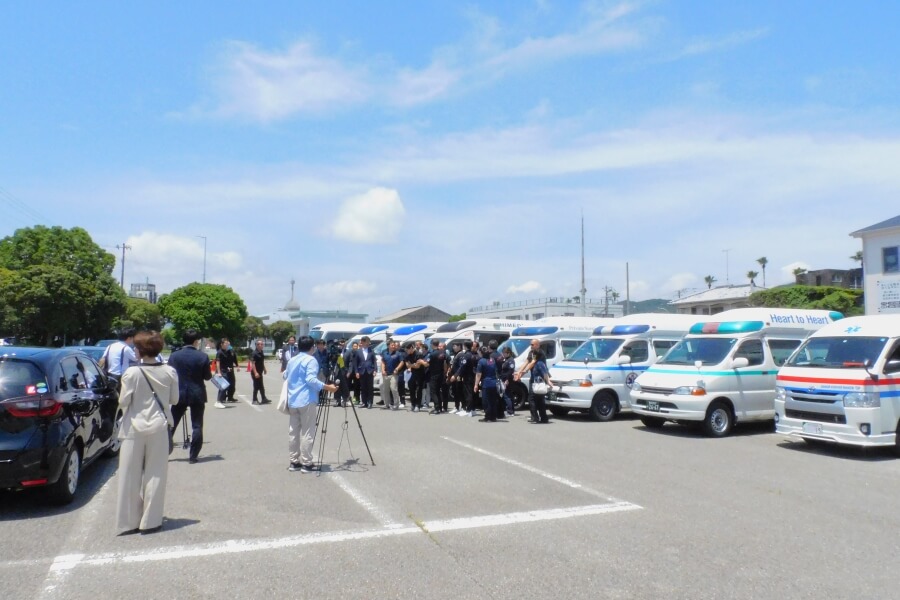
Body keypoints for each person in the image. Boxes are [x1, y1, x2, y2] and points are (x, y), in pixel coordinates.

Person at [116, 330, 178, 534]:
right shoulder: (169, 371)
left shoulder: (131, 373)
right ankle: (151, 521)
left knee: (129, 475)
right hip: (159, 425)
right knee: (156, 474)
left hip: (134, 427)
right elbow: (174, 400)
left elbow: (123, 401)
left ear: (141, 351)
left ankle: (129, 521)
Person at [284, 336, 337, 473]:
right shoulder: (311, 360)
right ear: (311, 347)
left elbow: (285, 375)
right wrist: (327, 387)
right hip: (306, 399)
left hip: (292, 400)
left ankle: (294, 461)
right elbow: (311, 379)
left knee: (293, 431)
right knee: (308, 431)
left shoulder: (292, 360)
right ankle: (307, 462)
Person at [166, 328, 211, 464]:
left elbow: (169, 374)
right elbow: (207, 377)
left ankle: (163, 451)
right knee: (197, 425)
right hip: (197, 393)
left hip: (179, 393)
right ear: (196, 341)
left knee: (172, 423)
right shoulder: (202, 356)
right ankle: (193, 456)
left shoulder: (175, 356)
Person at [514, 338, 552, 424]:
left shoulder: (539, 353)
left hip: (540, 378)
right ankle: (540, 417)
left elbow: (532, 363)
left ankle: (537, 417)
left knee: (534, 398)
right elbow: (527, 362)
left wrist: (524, 371)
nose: (531, 346)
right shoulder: (531, 353)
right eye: (530, 344)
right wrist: (519, 373)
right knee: (536, 399)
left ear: (537, 345)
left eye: (533, 344)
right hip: (533, 378)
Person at [474, 346, 501, 422]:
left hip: (486, 383)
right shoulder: (492, 360)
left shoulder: (481, 361)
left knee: (486, 401)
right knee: (493, 400)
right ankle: (493, 416)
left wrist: (476, 384)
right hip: (494, 382)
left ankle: (488, 416)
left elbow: (478, 374)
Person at [452, 341, 478, 417]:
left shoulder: (466, 355)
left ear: (465, 346)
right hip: (473, 376)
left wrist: (456, 375)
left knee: (468, 393)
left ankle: (468, 410)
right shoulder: (474, 355)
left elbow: (462, 367)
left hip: (467, 377)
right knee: (472, 393)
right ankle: (473, 409)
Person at [351, 336, 377, 408]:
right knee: (363, 387)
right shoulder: (358, 351)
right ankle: (364, 402)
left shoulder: (371, 351)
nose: (368, 343)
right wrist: (356, 372)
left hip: (369, 371)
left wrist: (375, 370)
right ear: (363, 342)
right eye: (366, 342)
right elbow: (355, 363)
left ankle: (370, 402)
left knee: (370, 387)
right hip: (361, 371)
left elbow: (374, 361)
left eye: (368, 342)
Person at [426, 338, 449, 414]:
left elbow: (427, 364)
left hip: (434, 375)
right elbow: (447, 362)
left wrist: (421, 362)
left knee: (433, 392)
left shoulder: (432, 354)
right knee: (438, 392)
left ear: (432, 344)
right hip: (441, 374)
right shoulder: (443, 353)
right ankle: (439, 407)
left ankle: (436, 408)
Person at [215, 337, 239, 407]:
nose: (227, 344)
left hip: (227, 370)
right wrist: (219, 372)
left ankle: (219, 401)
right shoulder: (219, 352)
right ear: (222, 344)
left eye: (227, 343)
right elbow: (218, 363)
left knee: (225, 386)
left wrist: (231, 367)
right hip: (222, 371)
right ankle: (219, 401)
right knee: (223, 386)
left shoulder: (227, 351)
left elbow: (228, 362)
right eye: (225, 343)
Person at [380, 340, 402, 410]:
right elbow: (383, 362)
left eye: (394, 345)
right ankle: (387, 404)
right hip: (386, 374)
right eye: (392, 345)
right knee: (386, 390)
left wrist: (397, 369)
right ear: (388, 346)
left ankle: (396, 404)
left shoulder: (398, 353)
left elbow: (402, 362)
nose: (393, 346)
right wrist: (383, 370)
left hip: (394, 374)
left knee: (393, 388)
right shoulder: (384, 352)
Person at [498, 345, 517, 417]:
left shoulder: (511, 360)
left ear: (508, 353)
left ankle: (510, 411)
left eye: (504, 353)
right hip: (504, 379)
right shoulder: (506, 359)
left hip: (508, 379)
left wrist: (507, 380)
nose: (503, 354)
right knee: (508, 395)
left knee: (507, 395)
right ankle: (511, 410)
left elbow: (510, 371)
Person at [250, 339, 269, 404]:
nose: (260, 345)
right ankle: (254, 400)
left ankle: (264, 398)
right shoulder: (254, 353)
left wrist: (264, 369)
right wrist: (255, 372)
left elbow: (262, 362)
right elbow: (253, 364)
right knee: (256, 386)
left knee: (261, 386)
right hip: (255, 373)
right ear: (256, 345)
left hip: (260, 372)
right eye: (258, 344)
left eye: (261, 344)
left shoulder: (261, 352)